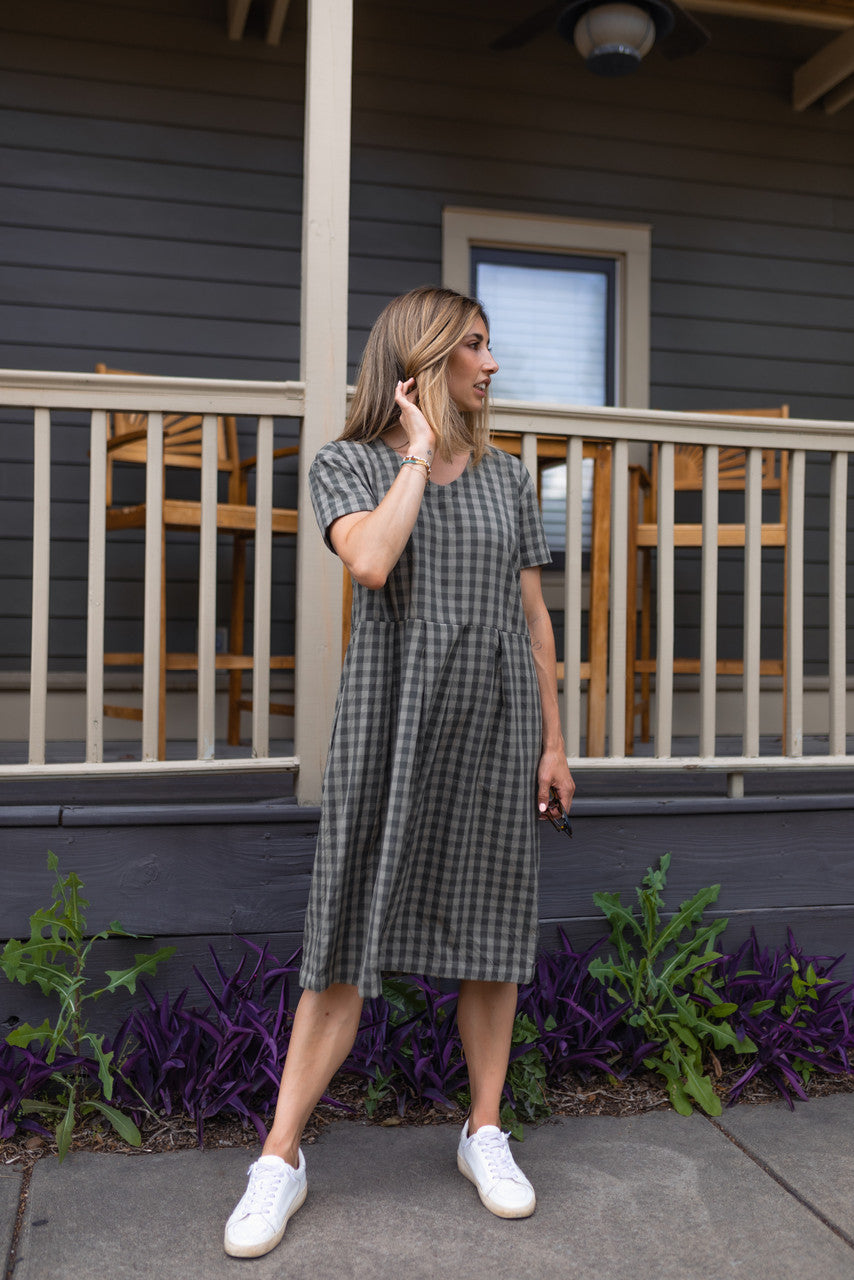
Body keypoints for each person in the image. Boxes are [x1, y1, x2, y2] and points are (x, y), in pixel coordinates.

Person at [224, 286, 575, 1259]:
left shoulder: (509, 478)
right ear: (419, 362)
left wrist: (552, 742)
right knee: (340, 938)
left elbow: (533, 618)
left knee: (492, 936)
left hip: (498, 723)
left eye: (489, 345)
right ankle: (280, 1156)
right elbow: (373, 561)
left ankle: (483, 1129)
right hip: (394, 723)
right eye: (472, 344)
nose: (490, 363)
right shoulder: (345, 463)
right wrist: (416, 449)